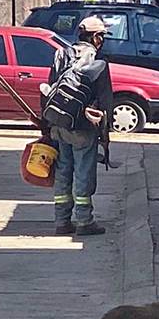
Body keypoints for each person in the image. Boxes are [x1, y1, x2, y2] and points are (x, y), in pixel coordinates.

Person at [46, 16, 113, 237]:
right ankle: (84, 221)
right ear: (95, 37)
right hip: (84, 127)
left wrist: (47, 125)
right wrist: (105, 132)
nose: (102, 40)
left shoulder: (61, 54)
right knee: (84, 172)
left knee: (63, 170)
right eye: (101, 36)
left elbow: (49, 89)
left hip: (60, 124)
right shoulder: (98, 62)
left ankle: (61, 221)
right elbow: (105, 101)